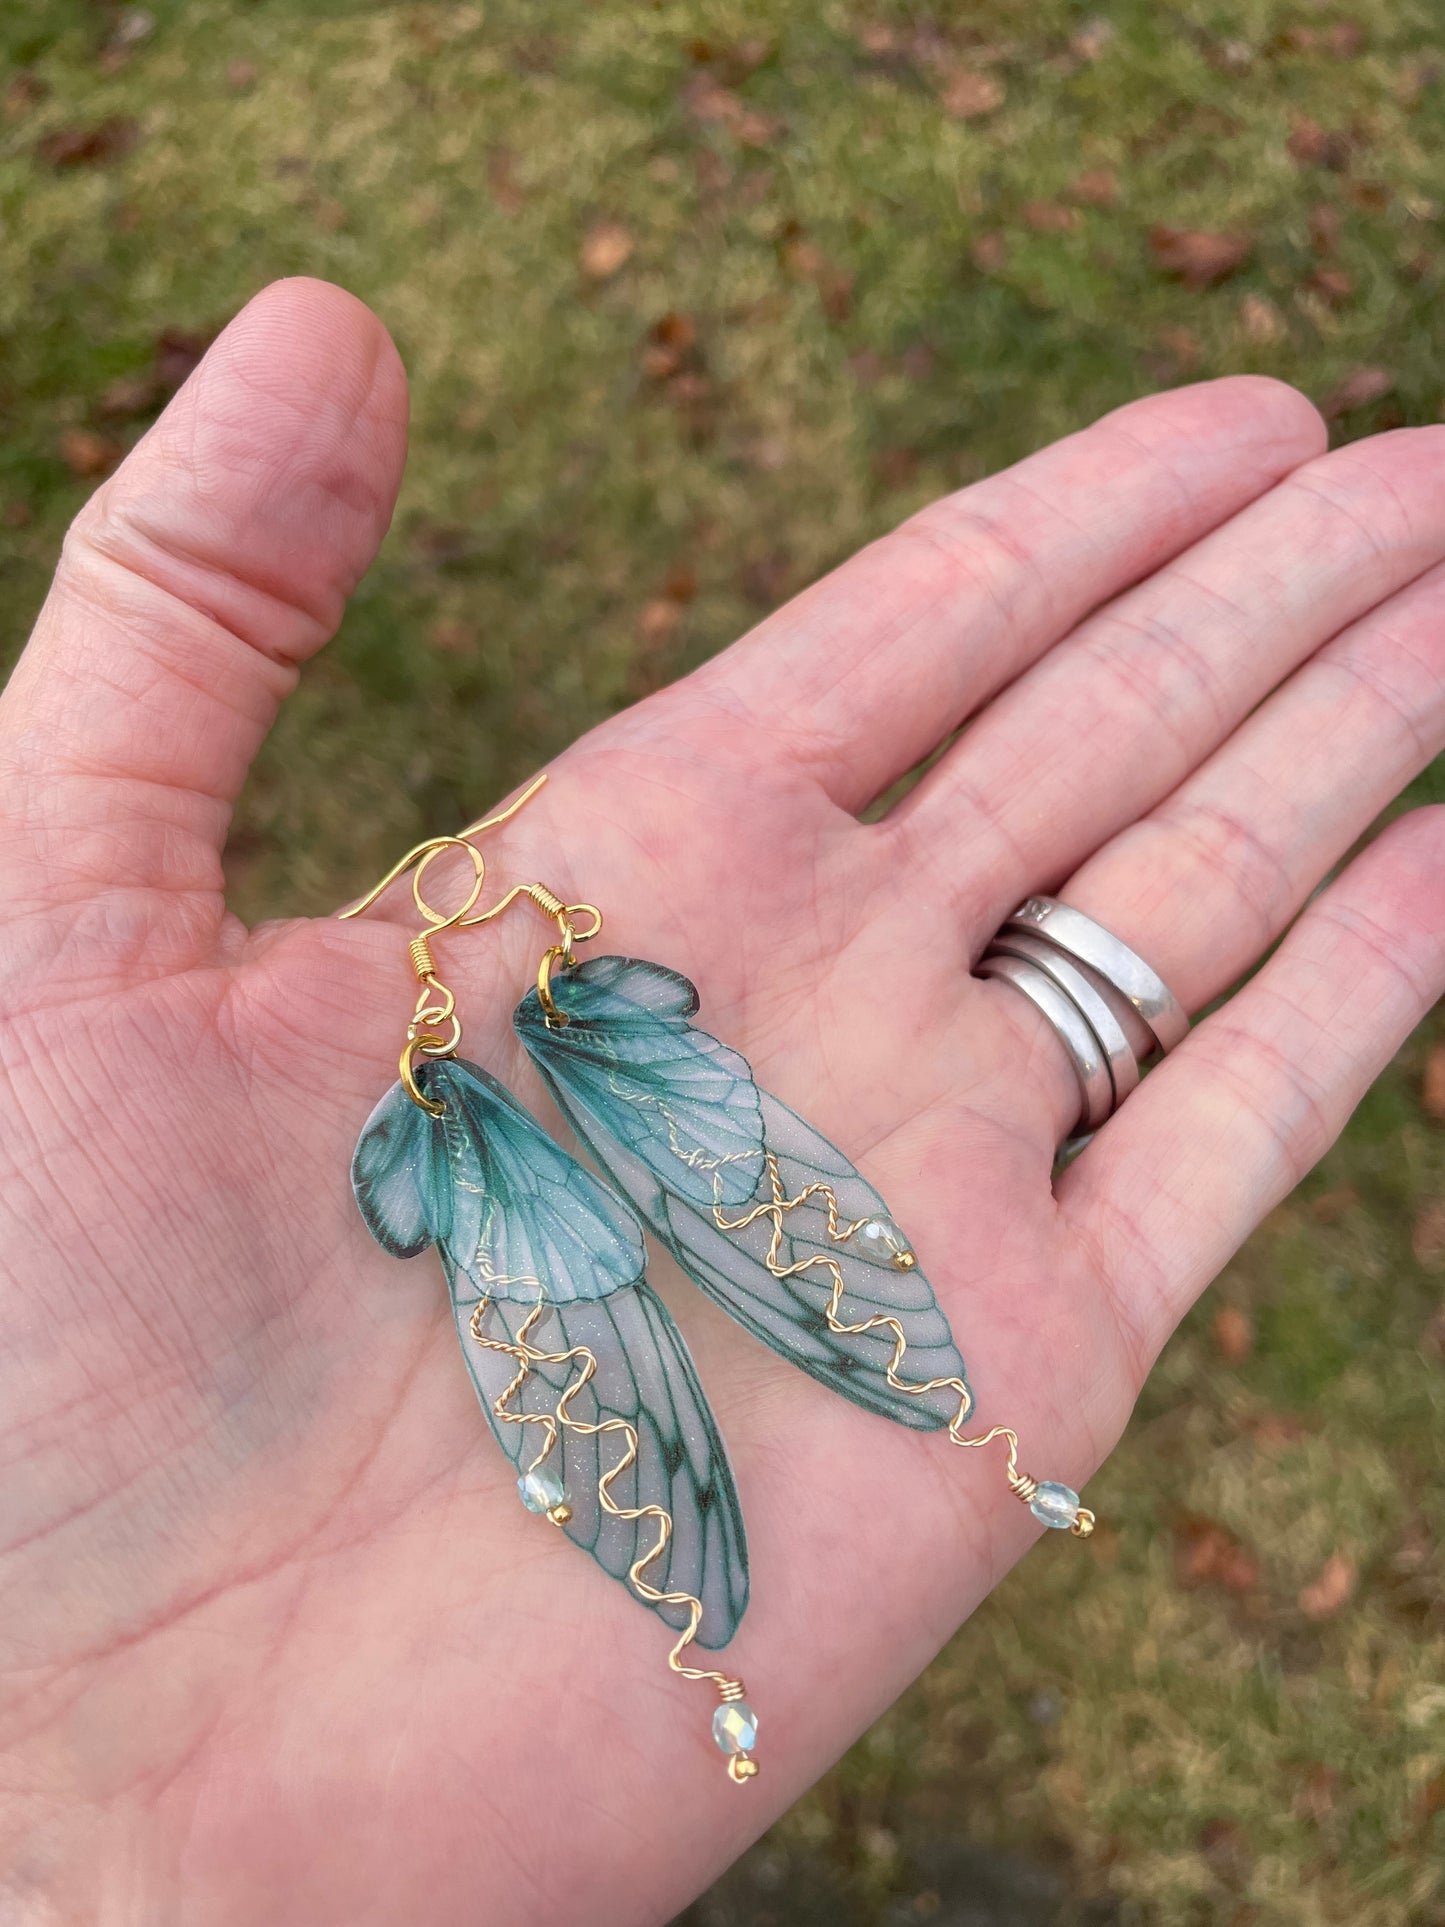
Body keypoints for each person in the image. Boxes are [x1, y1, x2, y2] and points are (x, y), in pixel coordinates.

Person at [0, 277, 1439, 1924]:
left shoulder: (530, 1064)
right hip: (566, 1186)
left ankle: (799, 1545)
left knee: (763, 1244)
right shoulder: (507, 1085)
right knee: (714, 1266)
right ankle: (761, 1578)